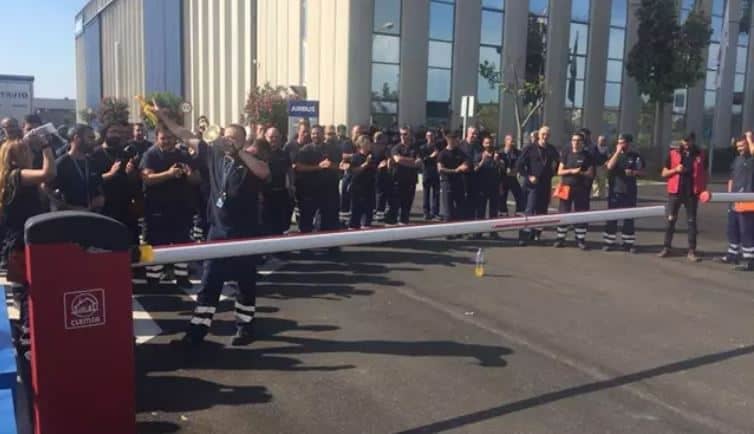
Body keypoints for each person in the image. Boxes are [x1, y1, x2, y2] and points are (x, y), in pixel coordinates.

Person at [153, 105, 270, 346]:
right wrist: (163, 115)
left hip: (245, 234)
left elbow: (263, 173)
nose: (228, 141)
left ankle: (245, 327)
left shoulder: (251, 160)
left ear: (243, 141)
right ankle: (197, 331)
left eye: (235, 138)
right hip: (217, 231)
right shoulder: (213, 153)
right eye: (226, 136)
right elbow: (185, 134)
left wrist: (240, 152)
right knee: (210, 281)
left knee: (245, 282)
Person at [0, 117, 55, 360]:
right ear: (15, 158)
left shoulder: (11, 177)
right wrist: (45, 147)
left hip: (16, 244)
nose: (29, 153)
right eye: (25, 151)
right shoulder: (17, 175)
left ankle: (26, 339)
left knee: (25, 294)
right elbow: (49, 172)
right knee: (29, 294)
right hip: (21, 246)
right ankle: (29, 344)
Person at [140, 127, 200, 290]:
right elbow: (147, 179)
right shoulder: (150, 154)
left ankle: (182, 276)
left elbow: (197, 179)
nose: (166, 141)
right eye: (162, 138)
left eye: (169, 138)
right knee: (151, 244)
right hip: (155, 209)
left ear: (175, 139)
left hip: (181, 208)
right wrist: (168, 174)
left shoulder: (183, 155)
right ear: (156, 139)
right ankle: (151, 279)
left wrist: (189, 175)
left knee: (183, 242)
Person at [90, 121, 141, 245]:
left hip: (126, 206)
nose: (117, 135)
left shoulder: (126, 152)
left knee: (131, 245)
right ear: (104, 133)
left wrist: (132, 173)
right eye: (113, 132)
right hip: (105, 207)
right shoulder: (94, 154)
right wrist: (110, 174)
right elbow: (91, 181)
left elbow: (135, 179)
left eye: (120, 132)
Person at [658, 133, 707, 261]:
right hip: (675, 192)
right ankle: (666, 247)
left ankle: (691, 251)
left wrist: (703, 190)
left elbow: (705, 174)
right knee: (670, 220)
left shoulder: (700, 154)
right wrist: (675, 170)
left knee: (691, 222)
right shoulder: (673, 153)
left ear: (693, 141)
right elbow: (663, 173)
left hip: (692, 193)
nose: (685, 143)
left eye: (688, 141)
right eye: (684, 141)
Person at [516, 126, 560, 246]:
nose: (545, 137)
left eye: (547, 135)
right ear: (538, 135)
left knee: (542, 210)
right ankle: (523, 236)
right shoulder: (530, 148)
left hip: (545, 184)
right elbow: (519, 165)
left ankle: (536, 234)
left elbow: (559, 162)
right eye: (543, 134)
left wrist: (553, 173)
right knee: (529, 210)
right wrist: (529, 176)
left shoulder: (551, 149)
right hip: (532, 184)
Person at [294, 125, 341, 235]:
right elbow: (298, 167)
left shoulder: (332, 149)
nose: (316, 136)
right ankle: (306, 247)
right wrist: (318, 167)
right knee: (306, 221)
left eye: (318, 133)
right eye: (314, 133)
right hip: (310, 191)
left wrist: (331, 165)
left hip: (329, 191)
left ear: (323, 134)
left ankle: (329, 246)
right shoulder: (305, 150)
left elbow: (341, 166)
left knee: (329, 221)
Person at [716, 135, 754, 271]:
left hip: (748, 202)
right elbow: (731, 179)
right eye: (738, 146)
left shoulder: (752, 159)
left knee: (747, 231)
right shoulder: (737, 159)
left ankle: (750, 260)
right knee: (732, 229)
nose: (740, 149)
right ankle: (732, 254)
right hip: (734, 200)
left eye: (743, 146)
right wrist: (729, 198)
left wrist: (750, 139)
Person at [603, 133, 644, 252]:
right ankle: (609, 242)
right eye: (619, 142)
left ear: (629, 143)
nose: (621, 145)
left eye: (623, 143)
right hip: (615, 190)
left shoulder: (636, 156)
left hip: (630, 191)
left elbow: (642, 171)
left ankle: (628, 243)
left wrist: (634, 173)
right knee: (612, 217)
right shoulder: (613, 155)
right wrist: (617, 152)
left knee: (629, 218)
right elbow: (609, 166)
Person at [50, 124, 105, 211]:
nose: (94, 141)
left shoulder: (92, 162)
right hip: (70, 217)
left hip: (93, 215)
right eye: (90, 138)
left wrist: (101, 197)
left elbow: (99, 185)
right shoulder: (61, 163)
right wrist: (65, 206)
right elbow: (44, 188)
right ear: (76, 138)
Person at [554, 133, 594, 249]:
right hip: (566, 187)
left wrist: (580, 173)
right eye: (573, 140)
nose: (575, 142)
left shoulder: (588, 156)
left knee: (581, 212)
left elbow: (590, 173)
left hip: (581, 189)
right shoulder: (566, 153)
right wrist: (572, 171)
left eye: (578, 140)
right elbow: (559, 171)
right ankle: (560, 238)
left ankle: (580, 238)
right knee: (563, 212)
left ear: (582, 142)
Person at [386, 126, 421, 225]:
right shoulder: (396, 148)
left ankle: (404, 223)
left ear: (410, 135)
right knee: (395, 205)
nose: (402, 136)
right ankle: (391, 225)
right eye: (401, 134)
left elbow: (419, 162)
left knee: (407, 205)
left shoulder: (415, 148)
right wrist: (412, 161)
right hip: (398, 180)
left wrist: (406, 161)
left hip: (411, 180)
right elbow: (398, 160)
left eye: (405, 134)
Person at [262, 127, 294, 236]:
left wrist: (291, 185)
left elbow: (289, 170)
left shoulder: (284, 153)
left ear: (280, 138)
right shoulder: (260, 154)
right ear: (266, 137)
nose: (274, 139)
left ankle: (278, 249)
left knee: (279, 223)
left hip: (281, 192)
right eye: (271, 137)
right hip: (265, 194)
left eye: (276, 137)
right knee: (266, 223)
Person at [472, 136, 503, 239]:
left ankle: (493, 231)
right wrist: (482, 161)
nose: (488, 145)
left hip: (494, 186)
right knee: (480, 210)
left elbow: (502, 170)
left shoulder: (497, 155)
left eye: (490, 143)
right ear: (483, 144)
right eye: (486, 143)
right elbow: (475, 169)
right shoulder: (478, 155)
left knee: (493, 211)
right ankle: (478, 232)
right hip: (482, 187)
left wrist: (497, 161)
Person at [438, 130, 470, 229]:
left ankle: (458, 230)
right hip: (447, 183)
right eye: (452, 139)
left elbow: (467, 161)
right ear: (448, 140)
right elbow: (440, 169)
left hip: (459, 183)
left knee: (460, 208)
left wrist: (465, 165)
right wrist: (456, 170)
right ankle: (448, 231)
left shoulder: (460, 152)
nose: (455, 141)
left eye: (456, 139)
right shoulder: (443, 154)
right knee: (448, 209)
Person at [347, 134, 377, 229]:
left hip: (370, 187)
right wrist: (365, 164)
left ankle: (366, 227)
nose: (369, 145)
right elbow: (353, 171)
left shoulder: (372, 156)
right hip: (358, 188)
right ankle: (353, 229)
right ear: (361, 144)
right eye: (367, 143)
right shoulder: (356, 157)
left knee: (368, 210)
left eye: (370, 143)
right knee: (356, 210)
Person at [420, 129, 442, 220]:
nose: (430, 137)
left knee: (436, 193)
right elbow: (423, 160)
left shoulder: (438, 147)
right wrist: (431, 156)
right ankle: (426, 212)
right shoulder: (423, 147)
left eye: (432, 135)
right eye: (428, 136)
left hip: (436, 172)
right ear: (426, 137)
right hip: (427, 171)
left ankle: (435, 212)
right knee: (426, 192)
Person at [499, 134, 523, 215]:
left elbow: (519, 163)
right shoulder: (500, 153)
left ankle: (519, 212)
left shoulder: (518, 153)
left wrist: (515, 170)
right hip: (502, 177)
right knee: (502, 196)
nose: (512, 143)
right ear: (505, 141)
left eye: (513, 141)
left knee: (519, 194)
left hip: (512, 177)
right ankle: (503, 212)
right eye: (510, 141)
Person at [373, 131, 392, 222]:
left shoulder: (371, 148)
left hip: (372, 173)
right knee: (381, 193)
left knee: (376, 192)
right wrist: (389, 169)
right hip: (382, 173)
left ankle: (375, 210)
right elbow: (388, 160)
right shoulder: (385, 148)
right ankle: (380, 212)